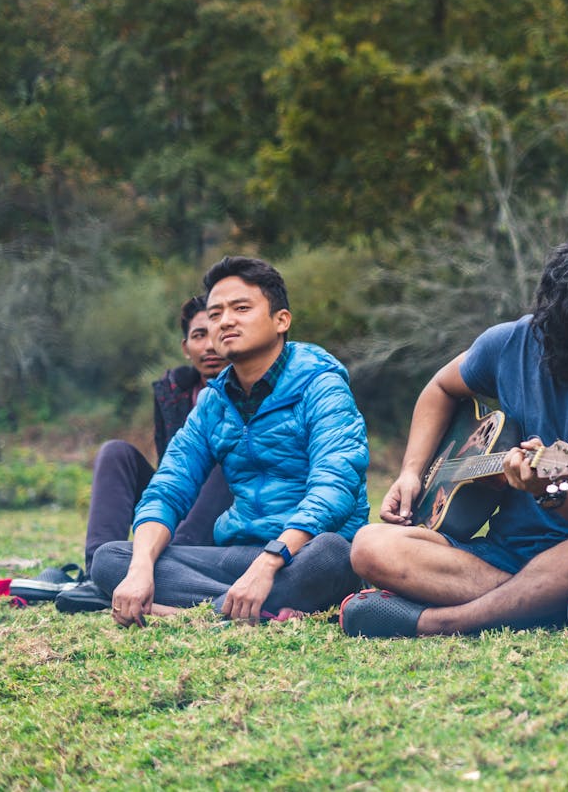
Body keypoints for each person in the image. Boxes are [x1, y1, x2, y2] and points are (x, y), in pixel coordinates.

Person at [341, 213, 568, 638]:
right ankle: (559, 604)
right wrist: (412, 473)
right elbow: (440, 389)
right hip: (507, 553)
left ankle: (442, 622)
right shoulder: (516, 343)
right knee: (370, 546)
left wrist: (552, 494)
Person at [93, 256, 371, 625]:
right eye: (215, 313)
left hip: (301, 552)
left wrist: (269, 563)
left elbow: (335, 487)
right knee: (112, 559)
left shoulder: (321, 385)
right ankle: (239, 608)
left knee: (333, 554)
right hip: (237, 555)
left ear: (281, 320)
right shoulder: (214, 400)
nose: (224, 321)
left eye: (241, 308)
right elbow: (168, 487)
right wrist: (141, 569)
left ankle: (192, 610)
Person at [55, 296, 233, 613]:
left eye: (214, 333)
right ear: (185, 347)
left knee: (228, 459)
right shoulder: (172, 390)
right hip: (178, 501)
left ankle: (168, 567)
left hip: (227, 508)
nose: (207, 346)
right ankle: (98, 574)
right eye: (197, 336)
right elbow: (171, 466)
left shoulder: (248, 388)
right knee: (115, 452)